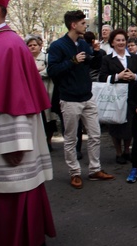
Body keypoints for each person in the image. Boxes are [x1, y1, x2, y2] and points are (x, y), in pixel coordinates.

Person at [0, 0, 56, 246]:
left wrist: (14, 144)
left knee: (12, 189)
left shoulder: (8, 46)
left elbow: (14, 99)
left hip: (5, 135)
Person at [48, 10, 114, 189]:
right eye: (83, 23)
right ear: (73, 25)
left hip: (87, 96)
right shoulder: (58, 46)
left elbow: (93, 64)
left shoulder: (83, 44)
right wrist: (73, 61)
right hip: (69, 99)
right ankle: (74, 173)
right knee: (71, 138)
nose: (86, 26)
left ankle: (94, 170)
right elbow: (52, 70)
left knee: (95, 134)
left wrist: (97, 53)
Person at [99, 28, 137, 164]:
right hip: (115, 96)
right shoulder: (106, 59)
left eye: (123, 40)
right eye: (118, 40)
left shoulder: (134, 58)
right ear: (112, 42)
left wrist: (133, 76)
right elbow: (102, 77)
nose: (121, 42)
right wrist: (118, 76)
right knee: (116, 124)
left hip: (131, 95)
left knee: (129, 124)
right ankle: (118, 152)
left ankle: (127, 150)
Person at [26, 34, 57, 151]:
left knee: (49, 118)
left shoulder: (47, 57)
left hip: (47, 90)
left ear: (40, 46)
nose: (33, 47)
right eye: (30, 45)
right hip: (31, 92)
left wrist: (35, 74)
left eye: (35, 45)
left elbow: (50, 70)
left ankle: (48, 141)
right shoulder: (25, 58)